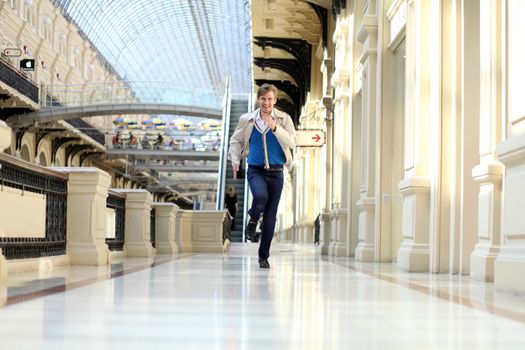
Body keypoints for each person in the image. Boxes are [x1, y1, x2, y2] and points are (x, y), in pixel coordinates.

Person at [228, 83, 297, 269]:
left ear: (275, 100)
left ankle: (263, 256)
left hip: (276, 172)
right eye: (263, 99)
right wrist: (235, 159)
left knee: (270, 218)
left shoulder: (284, 119)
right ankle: (252, 218)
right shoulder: (247, 119)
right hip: (256, 169)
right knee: (260, 196)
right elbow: (235, 140)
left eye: (270, 99)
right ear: (258, 99)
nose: (266, 102)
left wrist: (275, 127)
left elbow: (292, 141)